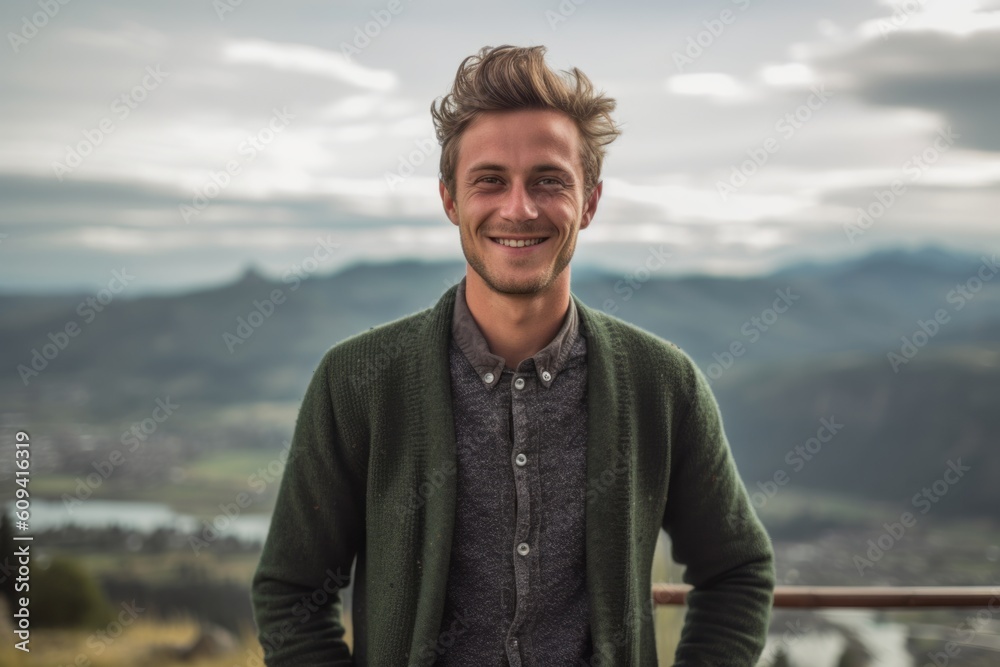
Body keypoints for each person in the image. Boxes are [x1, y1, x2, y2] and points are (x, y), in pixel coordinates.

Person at [251, 44, 775, 666]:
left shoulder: (664, 386)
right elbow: (292, 593)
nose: (518, 208)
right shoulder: (357, 382)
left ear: (590, 202)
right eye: (490, 180)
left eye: (549, 180)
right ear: (450, 200)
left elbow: (737, 571)